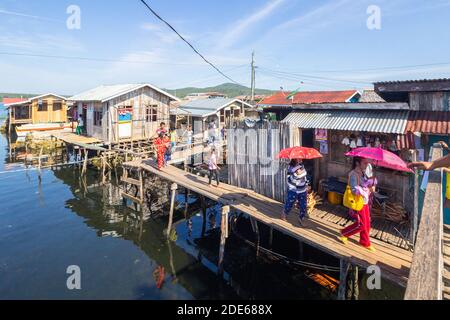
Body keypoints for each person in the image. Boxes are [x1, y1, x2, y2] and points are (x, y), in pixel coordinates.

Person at [339, 157, 376, 252]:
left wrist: (372, 185)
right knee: (361, 224)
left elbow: (366, 185)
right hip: (357, 203)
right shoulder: (353, 175)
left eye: (367, 163)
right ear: (357, 163)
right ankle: (344, 233)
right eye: (364, 163)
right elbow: (354, 190)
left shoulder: (363, 173)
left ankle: (365, 242)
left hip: (364, 202)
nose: (366, 165)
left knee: (367, 223)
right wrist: (366, 191)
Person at [281, 159, 309, 226]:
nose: (300, 159)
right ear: (294, 159)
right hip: (294, 190)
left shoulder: (301, 166)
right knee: (289, 203)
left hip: (302, 189)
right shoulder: (290, 168)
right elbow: (290, 179)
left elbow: (304, 176)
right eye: (298, 158)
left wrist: (307, 184)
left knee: (303, 205)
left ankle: (301, 219)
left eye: (301, 158)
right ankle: (284, 214)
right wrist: (296, 174)